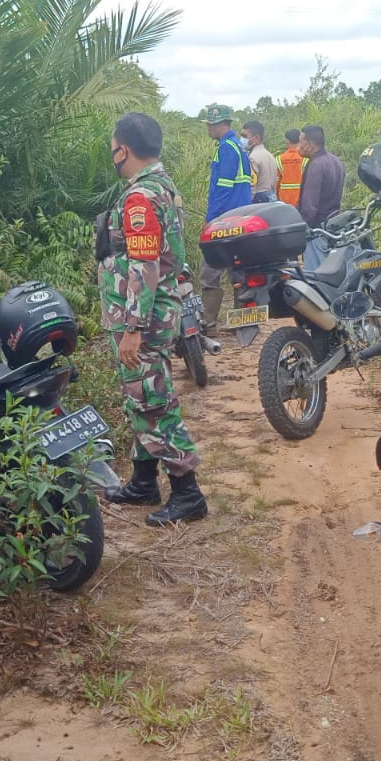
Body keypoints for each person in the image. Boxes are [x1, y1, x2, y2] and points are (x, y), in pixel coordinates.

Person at [99, 111, 207, 525]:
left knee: (153, 402)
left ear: (123, 150)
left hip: (142, 320)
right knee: (141, 397)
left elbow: (144, 265)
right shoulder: (164, 187)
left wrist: (132, 328)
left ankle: (187, 492)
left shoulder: (140, 198)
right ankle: (144, 481)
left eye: (113, 147)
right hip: (157, 312)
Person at [199, 103, 252, 331]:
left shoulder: (226, 149)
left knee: (209, 271)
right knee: (238, 271)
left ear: (219, 124)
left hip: (225, 220)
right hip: (241, 217)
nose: (208, 129)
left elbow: (222, 188)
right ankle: (243, 322)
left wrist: (211, 219)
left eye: (210, 124)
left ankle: (208, 322)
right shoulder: (238, 146)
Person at [296, 126, 346, 272]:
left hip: (317, 231)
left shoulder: (316, 165)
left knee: (316, 276)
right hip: (333, 227)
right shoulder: (336, 161)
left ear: (310, 144)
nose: (299, 146)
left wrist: (304, 229)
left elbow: (310, 206)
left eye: (301, 142)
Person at [241, 119, 279, 203]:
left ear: (256, 138)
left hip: (259, 199)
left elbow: (252, 186)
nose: (242, 140)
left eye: (245, 136)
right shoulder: (270, 156)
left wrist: (248, 204)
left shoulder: (253, 157)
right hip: (271, 197)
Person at [277, 127, 307, 207]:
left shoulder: (279, 159)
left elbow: (276, 182)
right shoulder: (305, 158)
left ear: (287, 141)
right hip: (301, 199)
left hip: (284, 200)